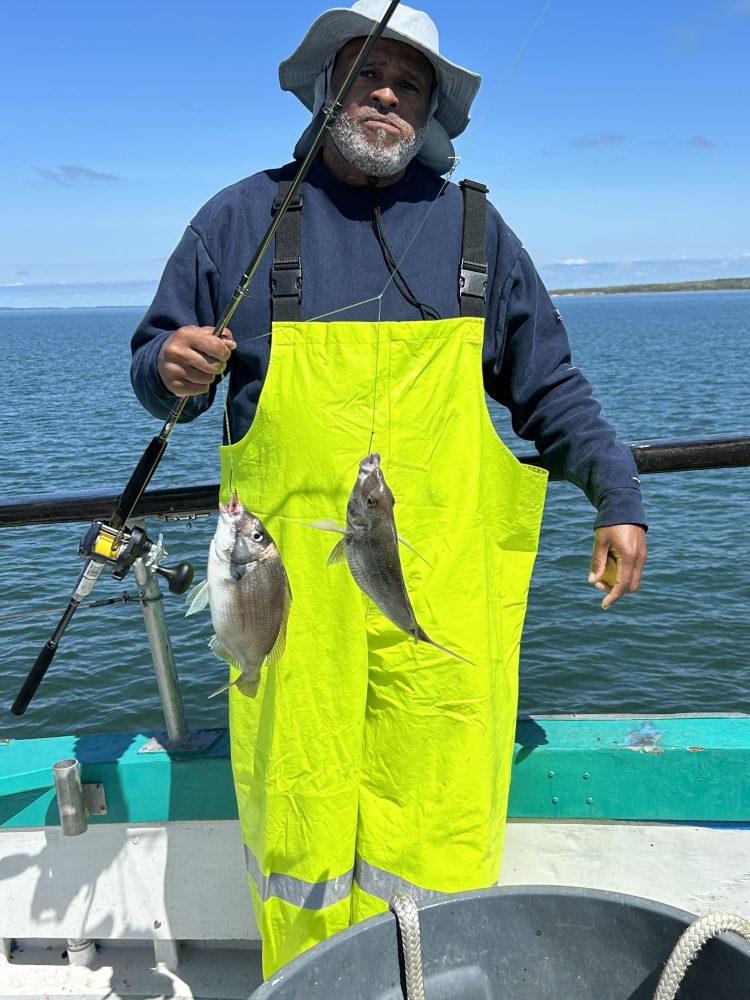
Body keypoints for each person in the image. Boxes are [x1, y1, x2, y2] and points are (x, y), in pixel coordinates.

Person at [131, 0, 647, 976]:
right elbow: (155, 361)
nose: (385, 94)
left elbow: (549, 387)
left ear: (432, 110)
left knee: (440, 837)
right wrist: (172, 366)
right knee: (299, 832)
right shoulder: (239, 218)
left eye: (407, 83)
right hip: (289, 618)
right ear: (328, 87)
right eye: (367, 73)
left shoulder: (479, 233)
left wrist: (617, 493)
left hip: (438, 618)